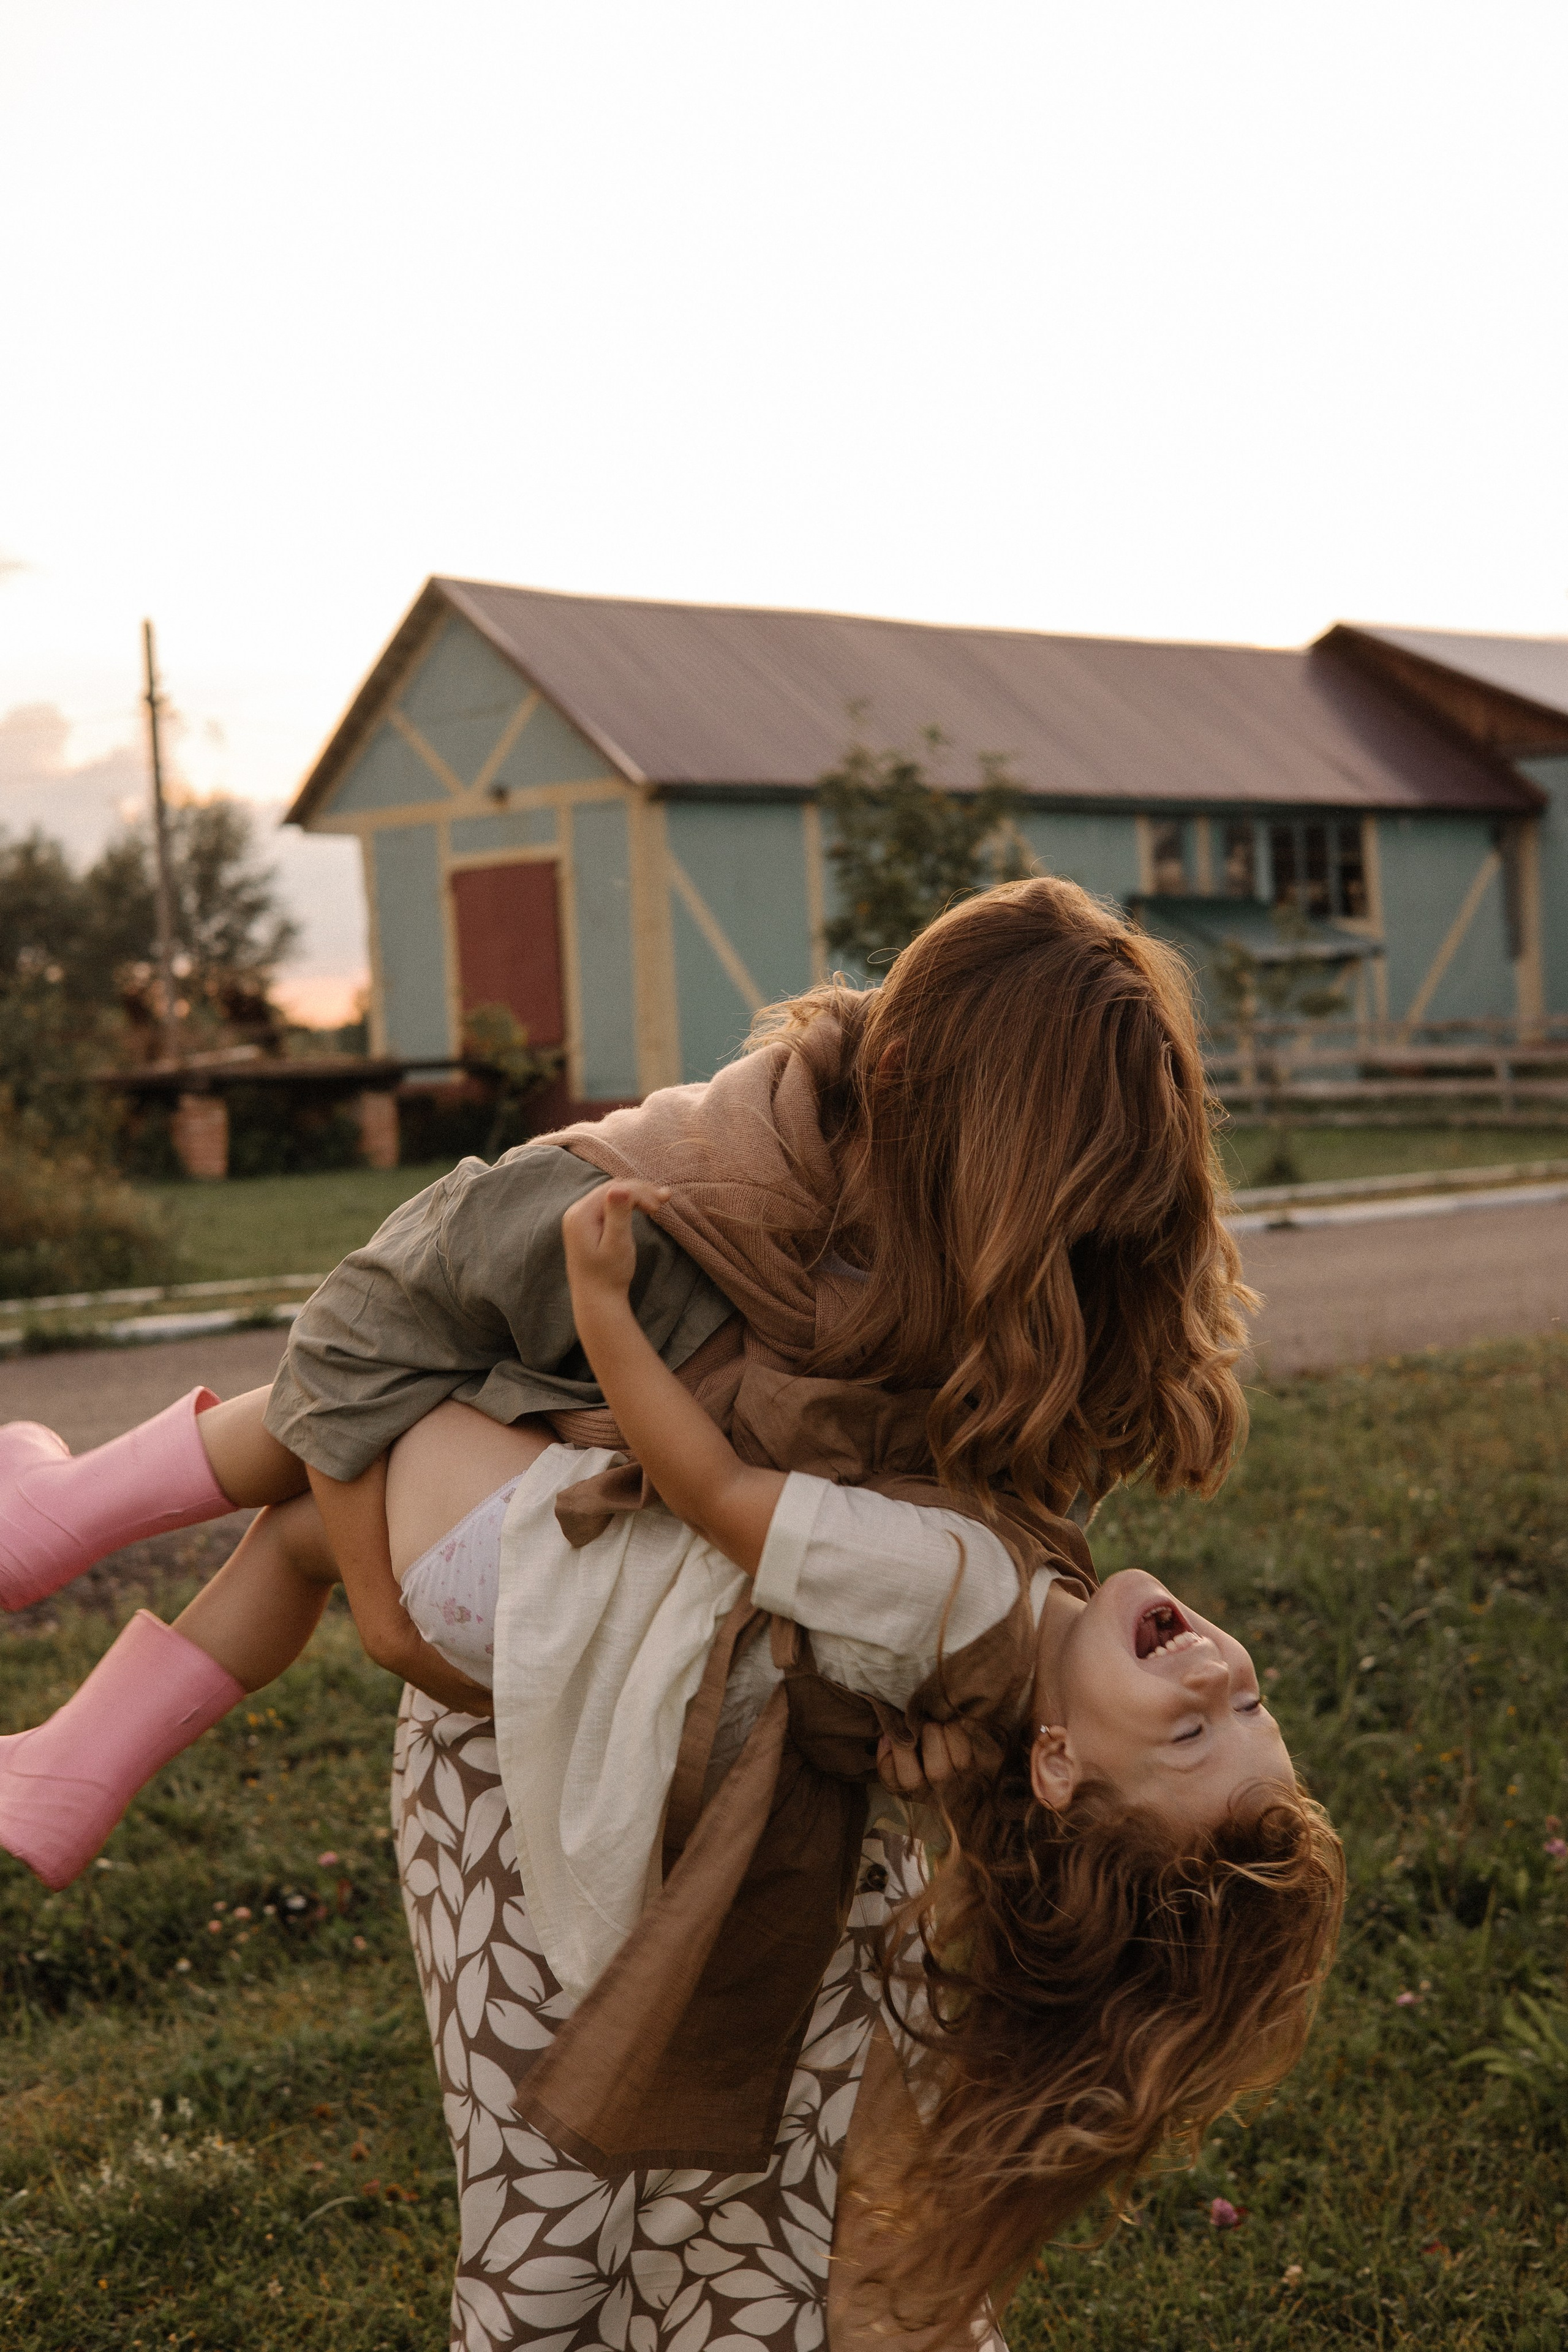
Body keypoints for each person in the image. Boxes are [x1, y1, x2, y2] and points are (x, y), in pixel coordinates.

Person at [0, 878, 1344, 2343]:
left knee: (735, 2188)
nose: (1077, 1243)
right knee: (581, 2201)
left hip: (690, 1732)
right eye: (1054, 1203)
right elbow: (388, 1351)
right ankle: (72, 1655)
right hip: (554, 1724)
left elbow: (695, 1483)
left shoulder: (1029, 1410)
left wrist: (971, 1728)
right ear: (926, 1112)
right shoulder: (707, 1195)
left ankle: (71, 1567)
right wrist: (393, 1593)